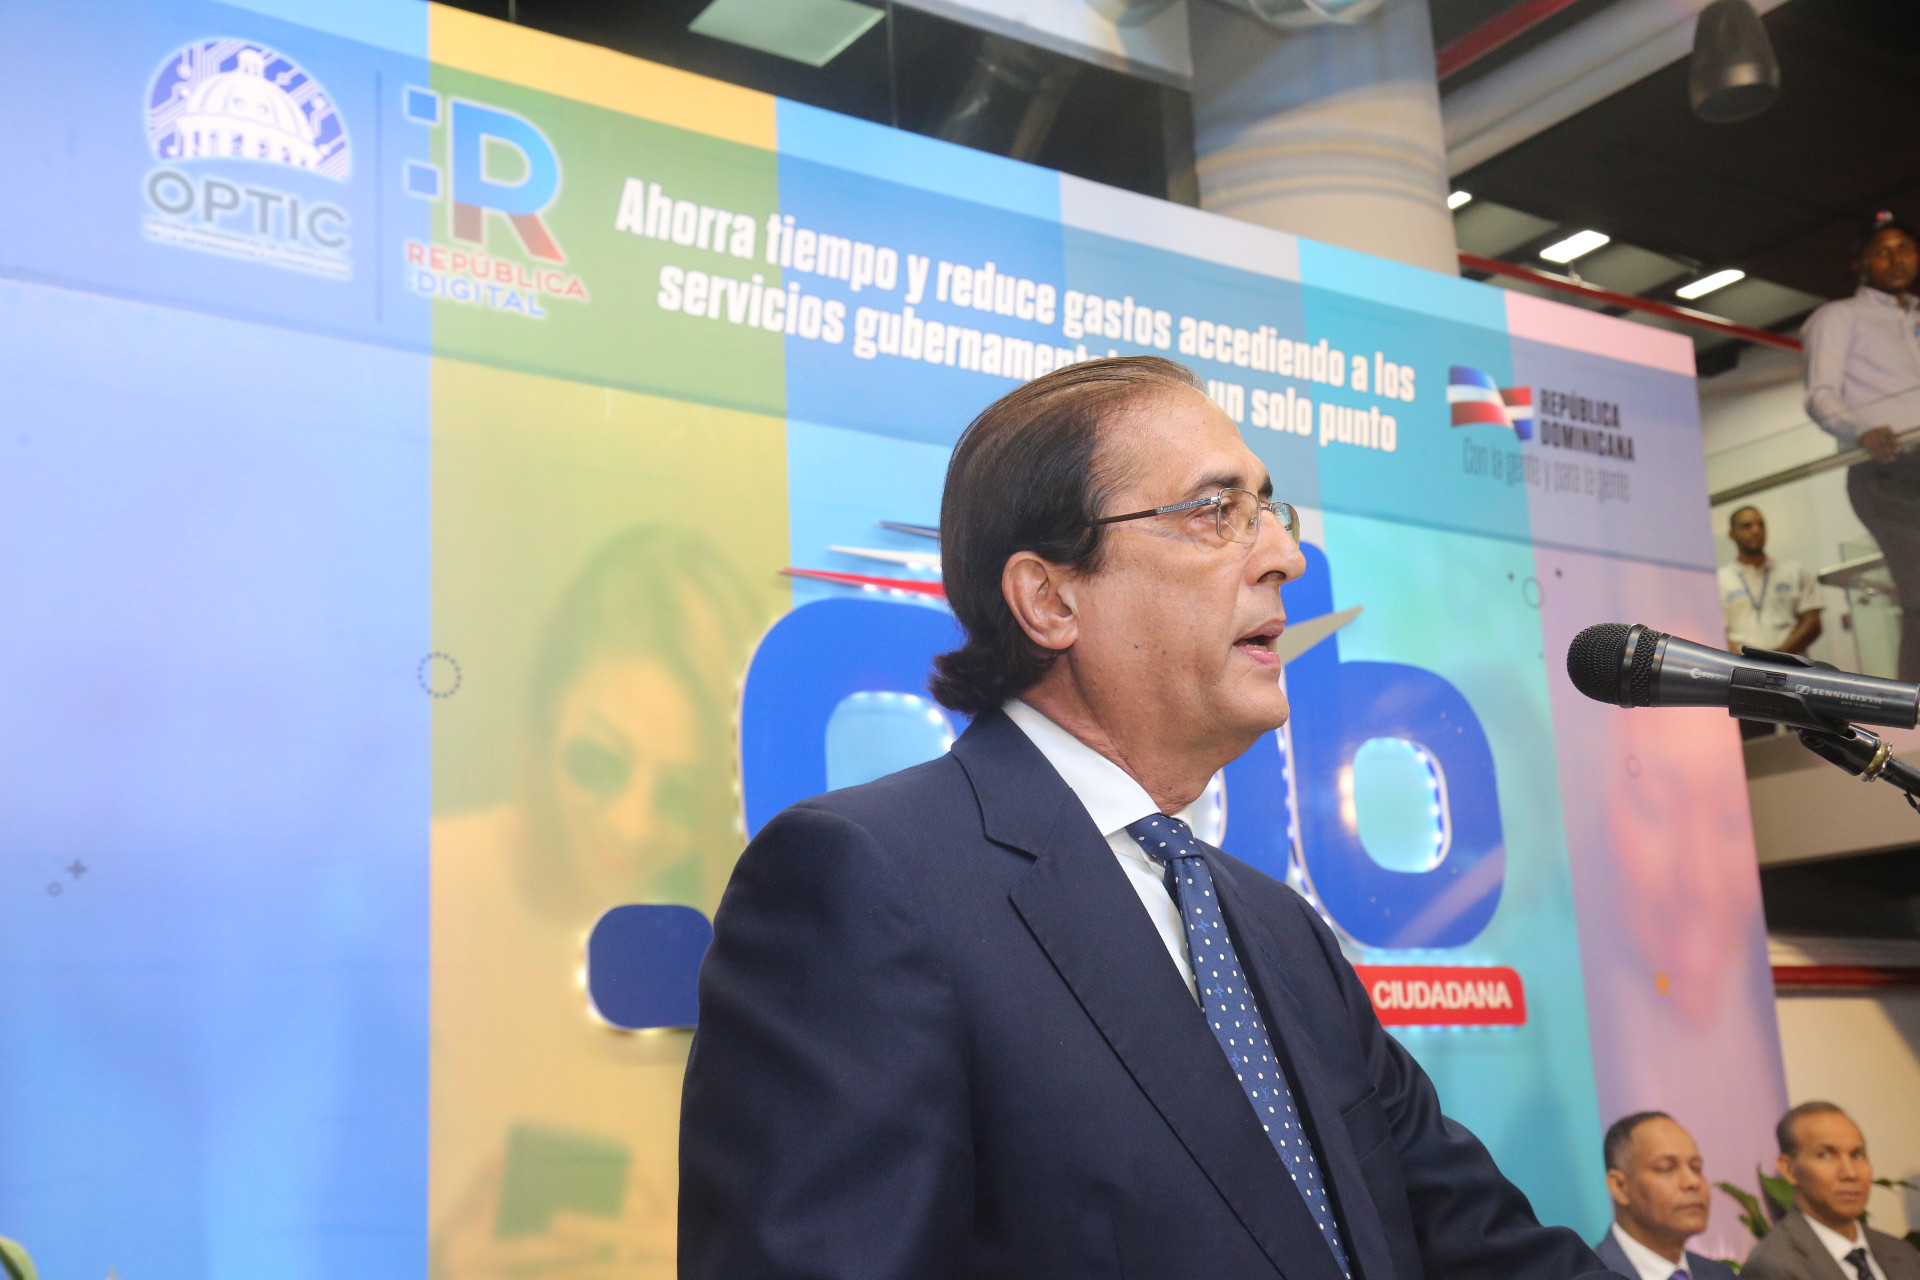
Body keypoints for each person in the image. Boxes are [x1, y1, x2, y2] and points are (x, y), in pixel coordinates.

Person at [680, 356, 1613, 1280]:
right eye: (1215, 511)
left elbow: (1485, 1250)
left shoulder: (1281, 931)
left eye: (1268, 509)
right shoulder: (863, 881)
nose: (1285, 557)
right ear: (1049, 599)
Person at [1803, 210, 1920, 682]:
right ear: (1861, 263)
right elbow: (1820, 395)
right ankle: (1913, 708)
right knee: (1918, 590)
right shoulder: (1838, 316)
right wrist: (1860, 431)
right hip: (1888, 467)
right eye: (1882, 251)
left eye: (1904, 248)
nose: (1896, 259)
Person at [1743, 1102, 1920, 1280]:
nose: (1850, 1173)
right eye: (1825, 1155)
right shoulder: (1772, 1265)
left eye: (1857, 1155)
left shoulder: (1903, 1253)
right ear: (1789, 1169)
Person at [1593, 1112, 1736, 1280]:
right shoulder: (1591, 1275)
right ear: (1619, 1186)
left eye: (1696, 1167)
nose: (1693, 1182)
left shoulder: (1722, 1275)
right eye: (1666, 1168)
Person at [1720, 507, 1822, 658]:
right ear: (1731, 534)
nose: (1756, 530)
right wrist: (1744, 663)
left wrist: (1777, 657)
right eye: (1747, 526)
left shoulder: (1795, 572)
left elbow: (1812, 622)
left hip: (1791, 663)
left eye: (1761, 525)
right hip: (1741, 666)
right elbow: (1718, 631)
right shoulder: (1720, 580)